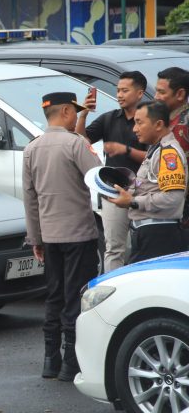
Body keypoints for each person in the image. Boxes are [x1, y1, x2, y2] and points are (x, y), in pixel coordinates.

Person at [23, 92, 101, 381]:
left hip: (50, 236)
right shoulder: (76, 144)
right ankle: (71, 363)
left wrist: (36, 239)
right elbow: (98, 178)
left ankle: (49, 360)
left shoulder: (32, 148)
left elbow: (30, 200)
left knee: (53, 296)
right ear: (67, 112)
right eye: (75, 113)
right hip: (79, 233)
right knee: (75, 297)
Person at [75, 72, 148, 271]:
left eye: (125, 90)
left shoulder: (150, 119)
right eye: (118, 90)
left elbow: (154, 156)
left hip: (145, 191)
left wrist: (125, 150)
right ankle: (113, 293)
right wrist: (83, 114)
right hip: (113, 191)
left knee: (143, 248)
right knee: (114, 248)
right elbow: (83, 141)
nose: (119, 95)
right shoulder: (109, 119)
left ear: (140, 93)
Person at [107, 101, 188, 263]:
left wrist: (133, 202)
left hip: (159, 235)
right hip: (148, 233)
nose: (135, 129)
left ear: (158, 124)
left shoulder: (168, 153)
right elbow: (146, 186)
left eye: (139, 123)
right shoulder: (155, 150)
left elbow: (173, 199)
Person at [154, 67, 189, 155]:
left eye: (161, 92)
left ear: (180, 94)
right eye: (156, 91)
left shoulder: (184, 125)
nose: (156, 97)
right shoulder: (166, 118)